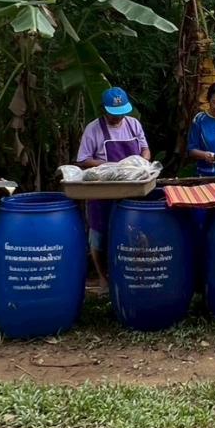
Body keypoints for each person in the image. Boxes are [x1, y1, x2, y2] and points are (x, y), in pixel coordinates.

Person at [77, 86, 151, 286]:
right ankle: (102, 277)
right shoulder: (93, 129)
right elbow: (83, 159)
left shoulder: (133, 124)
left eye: (121, 114)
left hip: (131, 187)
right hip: (103, 189)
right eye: (113, 114)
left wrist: (142, 163)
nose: (118, 118)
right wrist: (112, 166)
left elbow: (145, 148)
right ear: (104, 109)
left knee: (131, 232)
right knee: (99, 237)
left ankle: (130, 275)